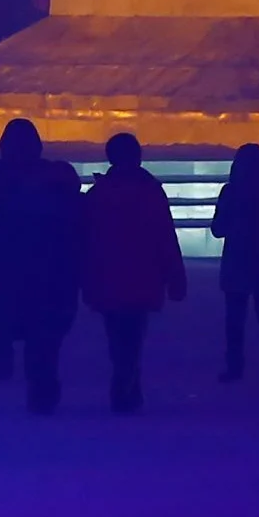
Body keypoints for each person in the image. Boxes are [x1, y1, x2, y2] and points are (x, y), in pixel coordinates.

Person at [0, 119, 82, 411]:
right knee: (37, 306)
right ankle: (33, 356)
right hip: (43, 250)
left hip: (5, 249)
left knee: (4, 303)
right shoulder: (50, 172)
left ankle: (3, 359)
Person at [74, 130, 185, 413]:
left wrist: (83, 274)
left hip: (108, 274)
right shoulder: (149, 190)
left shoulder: (100, 193)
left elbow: (85, 237)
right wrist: (174, 275)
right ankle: (127, 385)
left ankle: (126, 384)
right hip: (142, 274)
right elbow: (164, 235)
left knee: (117, 334)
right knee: (133, 334)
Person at [212, 140, 259, 382]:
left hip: (236, 262)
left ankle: (235, 366)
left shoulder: (231, 192)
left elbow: (218, 229)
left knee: (235, 319)